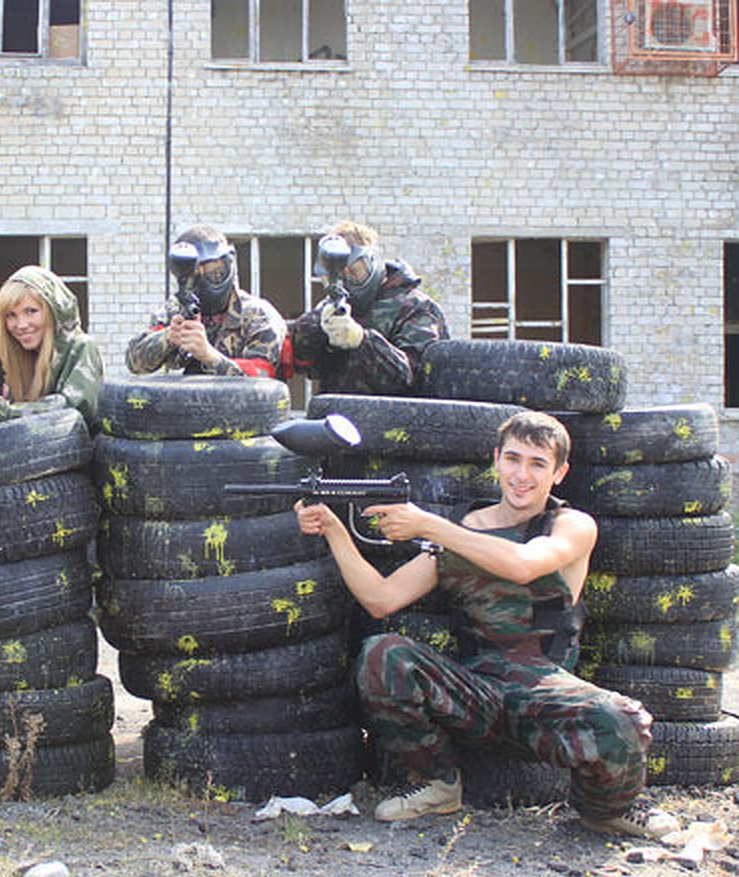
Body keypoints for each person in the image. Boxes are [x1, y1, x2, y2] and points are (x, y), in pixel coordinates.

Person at [294, 411, 678, 839]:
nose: (521, 475)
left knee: (623, 718)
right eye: (513, 459)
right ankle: (436, 783)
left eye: (537, 463)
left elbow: (523, 565)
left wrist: (430, 525)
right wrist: (333, 529)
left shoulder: (570, 525)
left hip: (543, 691)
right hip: (475, 691)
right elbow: (381, 598)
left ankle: (606, 810)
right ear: (496, 460)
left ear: (559, 473)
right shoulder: (463, 529)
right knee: (382, 654)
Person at [288, 220, 449, 394]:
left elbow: (413, 379)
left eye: (356, 272)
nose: (348, 283)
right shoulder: (335, 308)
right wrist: (317, 327)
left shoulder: (417, 308)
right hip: (337, 415)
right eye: (339, 276)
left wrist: (361, 340)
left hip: (400, 419)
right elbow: (300, 361)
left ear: (374, 262)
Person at [125, 225, 287, 378]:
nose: (206, 277)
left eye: (215, 270)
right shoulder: (176, 311)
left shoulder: (258, 316)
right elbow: (134, 362)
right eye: (196, 272)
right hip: (191, 404)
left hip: (244, 408)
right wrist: (168, 338)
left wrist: (209, 356)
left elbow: (263, 379)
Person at [0, 265, 104, 429]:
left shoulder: (81, 347)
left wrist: (3, 414)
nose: (21, 325)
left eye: (31, 311)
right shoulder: (18, 358)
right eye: (11, 315)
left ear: (54, 312)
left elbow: (73, 411)